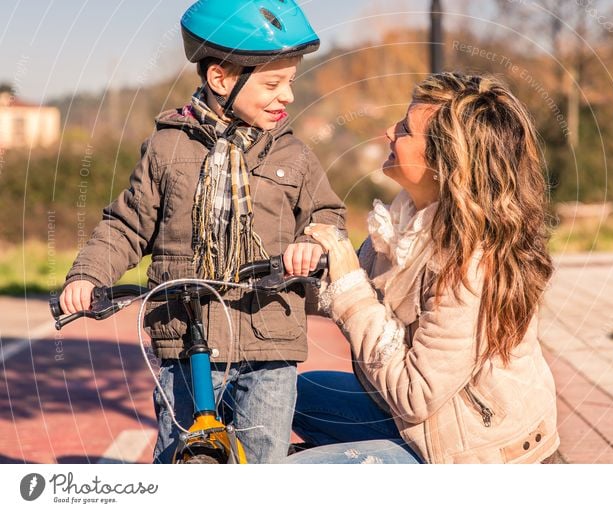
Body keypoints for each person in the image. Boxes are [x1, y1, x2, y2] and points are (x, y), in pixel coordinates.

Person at [58, 0, 346, 464]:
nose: (288, 96)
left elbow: (328, 217)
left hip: (269, 338)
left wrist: (311, 245)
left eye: (290, 82)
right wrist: (88, 276)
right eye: (273, 84)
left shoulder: (294, 156)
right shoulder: (167, 148)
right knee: (180, 454)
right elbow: (128, 224)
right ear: (221, 79)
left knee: (263, 457)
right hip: (186, 336)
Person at [288, 72, 560, 464]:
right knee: (296, 391)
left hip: (478, 456)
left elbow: (414, 394)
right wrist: (267, 285)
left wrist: (347, 283)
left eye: (405, 129)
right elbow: (343, 293)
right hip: (425, 422)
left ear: (444, 162)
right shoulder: (404, 225)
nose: (388, 132)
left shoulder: (471, 264)